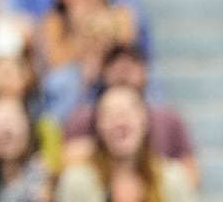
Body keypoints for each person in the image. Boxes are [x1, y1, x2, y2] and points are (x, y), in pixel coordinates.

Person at [54, 85, 198, 202]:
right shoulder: (76, 181)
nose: (119, 121)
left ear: (145, 120)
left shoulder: (173, 179)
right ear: (98, 126)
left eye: (128, 112)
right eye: (110, 114)